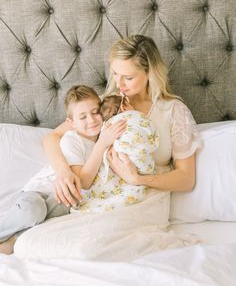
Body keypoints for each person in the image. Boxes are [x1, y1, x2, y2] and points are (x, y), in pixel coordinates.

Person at [42, 35, 201, 208]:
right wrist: (63, 172)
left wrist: (139, 179)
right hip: (103, 197)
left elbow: (186, 179)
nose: (119, 84)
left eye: (128, 77)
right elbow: (51, 137)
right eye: (115, 73)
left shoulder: (173, 111)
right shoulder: (104, 105)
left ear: (149, 73)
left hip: (144, 199)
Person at [0, 85, 126, 254]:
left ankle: (14, 241)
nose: (92, 120)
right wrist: (103, 142)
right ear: (71, 123)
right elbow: (84, 181)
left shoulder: (101, 140)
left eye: (95, 112)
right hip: (39, 193)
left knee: (51, 221)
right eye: (83, 116)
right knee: (34, 212)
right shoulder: (72, 139)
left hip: (64, 201)